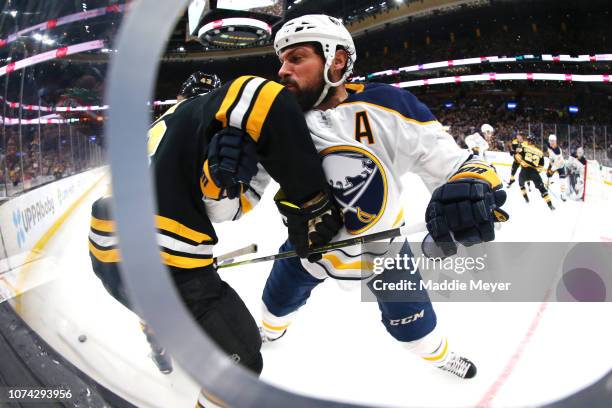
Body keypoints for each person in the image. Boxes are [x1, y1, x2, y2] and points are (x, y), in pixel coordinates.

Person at [258, 14, 509, 380]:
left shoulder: (390, 106)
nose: (282, 70)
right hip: (307, 245)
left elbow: (459, 164)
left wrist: (471, 185)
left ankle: (439, 357)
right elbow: (234, 196)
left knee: (418, 334)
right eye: (281, 61)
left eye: (295, 59)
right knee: (274, 307)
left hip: (385, 253)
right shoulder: (274, 118)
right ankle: (268, 332)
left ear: (337, 60)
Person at [88, 75, 343, 406]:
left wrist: (214, 185)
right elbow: (260, 93)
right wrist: (310, 199)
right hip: (164, 262)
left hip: (103, 250)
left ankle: (158, 345)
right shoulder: (209, 111)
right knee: (242, 363)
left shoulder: (157, 127)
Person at [515, 134, 555, 210]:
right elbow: (541, 166)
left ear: (529, 141)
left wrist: (522, 162)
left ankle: (526, 198)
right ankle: (550, 205)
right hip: (534, 172)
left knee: (521, 184)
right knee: (542, 189)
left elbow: (517, 156)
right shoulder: (540, 152)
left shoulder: (524, 147)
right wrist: (536, 172)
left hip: (524, 170)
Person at [545, 134, 568, 201]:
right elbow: (547, 143)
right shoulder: (549, 145)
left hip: (560, 165)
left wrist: (551, 171)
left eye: (553, 141)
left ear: (556, 141)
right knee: (548, 176)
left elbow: (557, 164)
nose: (552, 142)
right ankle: (548, 184)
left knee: (562, 181)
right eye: (551, 141)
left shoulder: (557, 151)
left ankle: (563, 194)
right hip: (552, 163)